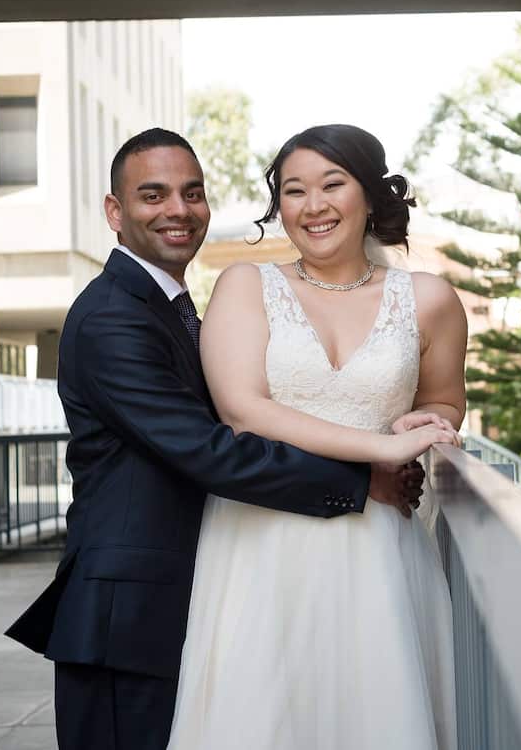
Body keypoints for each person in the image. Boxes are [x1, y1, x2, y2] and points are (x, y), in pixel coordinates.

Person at [4, 128, 456, 750]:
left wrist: (418, 424)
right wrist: (367, 471)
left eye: (193, 193)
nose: (178, 211)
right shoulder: (113, 316)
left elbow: (438, 400)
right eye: (152, 195)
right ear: (115, 212)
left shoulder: (170, 303)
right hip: (129, 610)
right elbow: (209, 445)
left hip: (214, 578)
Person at [166, 124, 468, 750]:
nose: (313, 205)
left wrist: (419, 421)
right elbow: (243, 412)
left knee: (377, 712)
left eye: (333, 184)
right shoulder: (247, 286)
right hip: (261, 541)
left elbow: (442, 399)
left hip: (380, 545)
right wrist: (382, 450)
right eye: (294, 190)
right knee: (264, 715)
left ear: (370, 195)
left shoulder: (431, 299)